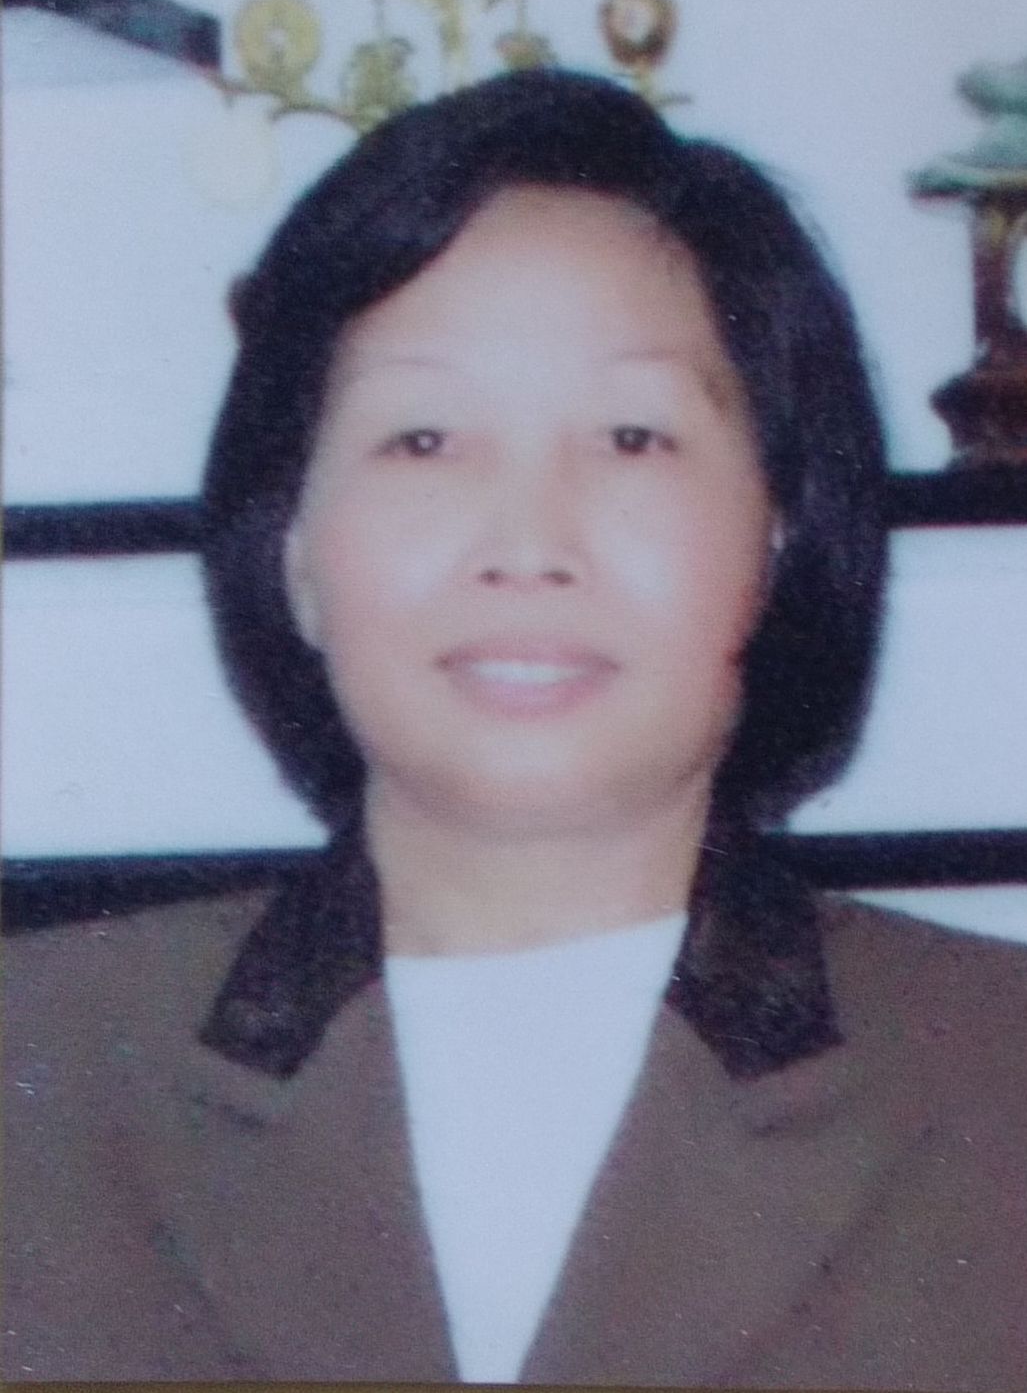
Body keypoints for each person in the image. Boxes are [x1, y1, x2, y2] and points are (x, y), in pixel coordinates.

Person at [5, 69, 1026, 1387]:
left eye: (633, 437)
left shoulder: (998, 1077)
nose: (530, 542)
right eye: (424, 439)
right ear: (295, 548)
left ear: (777, 537)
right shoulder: (34, 1071)